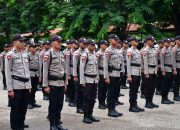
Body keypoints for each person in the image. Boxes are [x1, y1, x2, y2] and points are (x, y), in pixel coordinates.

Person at [5, 34, 31, 130]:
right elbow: (8, 73)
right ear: (15, 42)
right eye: (21, 41)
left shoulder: (25, 54)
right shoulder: (10, 55)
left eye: (24, 41)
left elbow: (27, 71)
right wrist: (9, 89)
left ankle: (21, 127)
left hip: (25, 87)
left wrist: (29, 86)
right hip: (16, 87)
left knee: (23, 110)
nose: (24, 43)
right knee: (15, 111)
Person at [43, 35, 67, 130]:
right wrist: (45, 85)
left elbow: (64, 70)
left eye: (61, 42)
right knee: (53, 105)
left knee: (60, 104)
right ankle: (52, 125)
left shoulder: (61, 53)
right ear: (52, 42)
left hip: (61, 83)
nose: (60, 43)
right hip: (52, 83)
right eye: (58, 41)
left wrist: (66, 83)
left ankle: (58, 123)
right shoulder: (48, 54)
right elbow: (45, 70)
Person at [80, 39, 100, 124]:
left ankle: (90, 114)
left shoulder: (95, 54)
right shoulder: (85, 55)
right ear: (88, 46)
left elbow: (96, 67)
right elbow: (81, 69)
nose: (94, 46)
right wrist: (82, 81)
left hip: (94, 80)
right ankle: (85, 116)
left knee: (93, 98)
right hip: (87, 80)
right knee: (86, 99)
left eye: (94, 44)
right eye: (92, 45)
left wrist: (97, 77)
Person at [104, 34, 124, 117]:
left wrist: (122, 73)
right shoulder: (108, 51)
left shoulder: (118, 50)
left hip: (117, 74)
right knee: (111, 93)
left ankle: (114, 109)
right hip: (111, 75)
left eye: (117, 39)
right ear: (110, 40)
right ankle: (110, 110)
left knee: (116, 93)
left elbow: (120, 64)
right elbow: (105, 64)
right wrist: (106, 77)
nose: (116, 41)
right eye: (115, 39)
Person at [126, 36, 145, 112]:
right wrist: (129, 76)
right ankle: (132, 106)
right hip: (133, 73)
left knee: (136, 90)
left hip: (138, 72)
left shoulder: (137, 50)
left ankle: (135, 104)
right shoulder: (130, 51)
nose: (137, 42)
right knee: (132, 90)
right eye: (135, 41)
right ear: (131, 42)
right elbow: (128, 64)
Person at [143, 36, 159, 109]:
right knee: (148, 87)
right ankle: (147, 102)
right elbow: (145, 62)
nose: (153, 42)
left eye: (153, 41)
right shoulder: (145, 50)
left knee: (153, 87)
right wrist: (146, 73)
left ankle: (151, 101)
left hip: (153, 71)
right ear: (148, 41)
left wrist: (156, 70)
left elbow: (155, 61)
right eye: (152, 41)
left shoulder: (153, 50)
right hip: (149, 71)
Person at [73, 38, 87, 114]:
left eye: (85, 43)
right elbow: (75, 65)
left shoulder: (86, 52)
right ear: (80, 43)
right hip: (78, 73)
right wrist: (75, 76)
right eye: (83, 43)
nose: (85, 45)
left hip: (84, 73)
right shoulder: (77, 53)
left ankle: (83, 106)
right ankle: (79, 107)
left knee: (84, 91)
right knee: (78, 92)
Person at [160, 38, 174, 104]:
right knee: (165, 85)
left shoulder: (170, 50)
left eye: (169, 42)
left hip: (170, 69)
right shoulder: (163, 51)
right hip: (165, 68)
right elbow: (162, 61)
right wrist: (163, 70)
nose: (168, 43)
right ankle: (163, 99)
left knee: (168, 84)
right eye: (167, 42)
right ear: (164, 43)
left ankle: (166, 97)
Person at [27, 43, 41, 109]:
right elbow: (26, 67)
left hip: (36, 74)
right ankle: (29, 102)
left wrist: (40, 76)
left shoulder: (37, 55)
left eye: (35, 47)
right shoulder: (27, 56)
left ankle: (33, 101)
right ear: (29, 48)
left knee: (34, 89)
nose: (35, 48)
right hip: (30, 74)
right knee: (30, 89)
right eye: (33, 47)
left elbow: (39, 66)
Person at [66, 39, 79, 107]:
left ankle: (74, 100)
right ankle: (71, 101)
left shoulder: (77, 51)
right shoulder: (69, 52)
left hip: (76, 70)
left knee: (75, 88)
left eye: (77, 44)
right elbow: (67, 64)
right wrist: (68, 74)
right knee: (71, 87)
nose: (76, 45)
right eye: (75, 44)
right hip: (70, 71)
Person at [96, 40, 108, 109]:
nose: (106, 46)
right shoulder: (98, 53)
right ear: (101, 45)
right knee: (101, 89)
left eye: (106, 44)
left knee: (105, 89)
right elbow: (96, 64)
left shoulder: (106, 52)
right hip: (100, 73)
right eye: (104, 44)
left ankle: (103, 102)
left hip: (105, 73)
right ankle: (100, 103)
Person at [171, 36, 180, 101]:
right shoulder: (174, 49)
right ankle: (175, 95)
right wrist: (174, 69)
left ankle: (178, 94)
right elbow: (173, 59)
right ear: (176, 41)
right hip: (177, 66)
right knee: (176, 82)